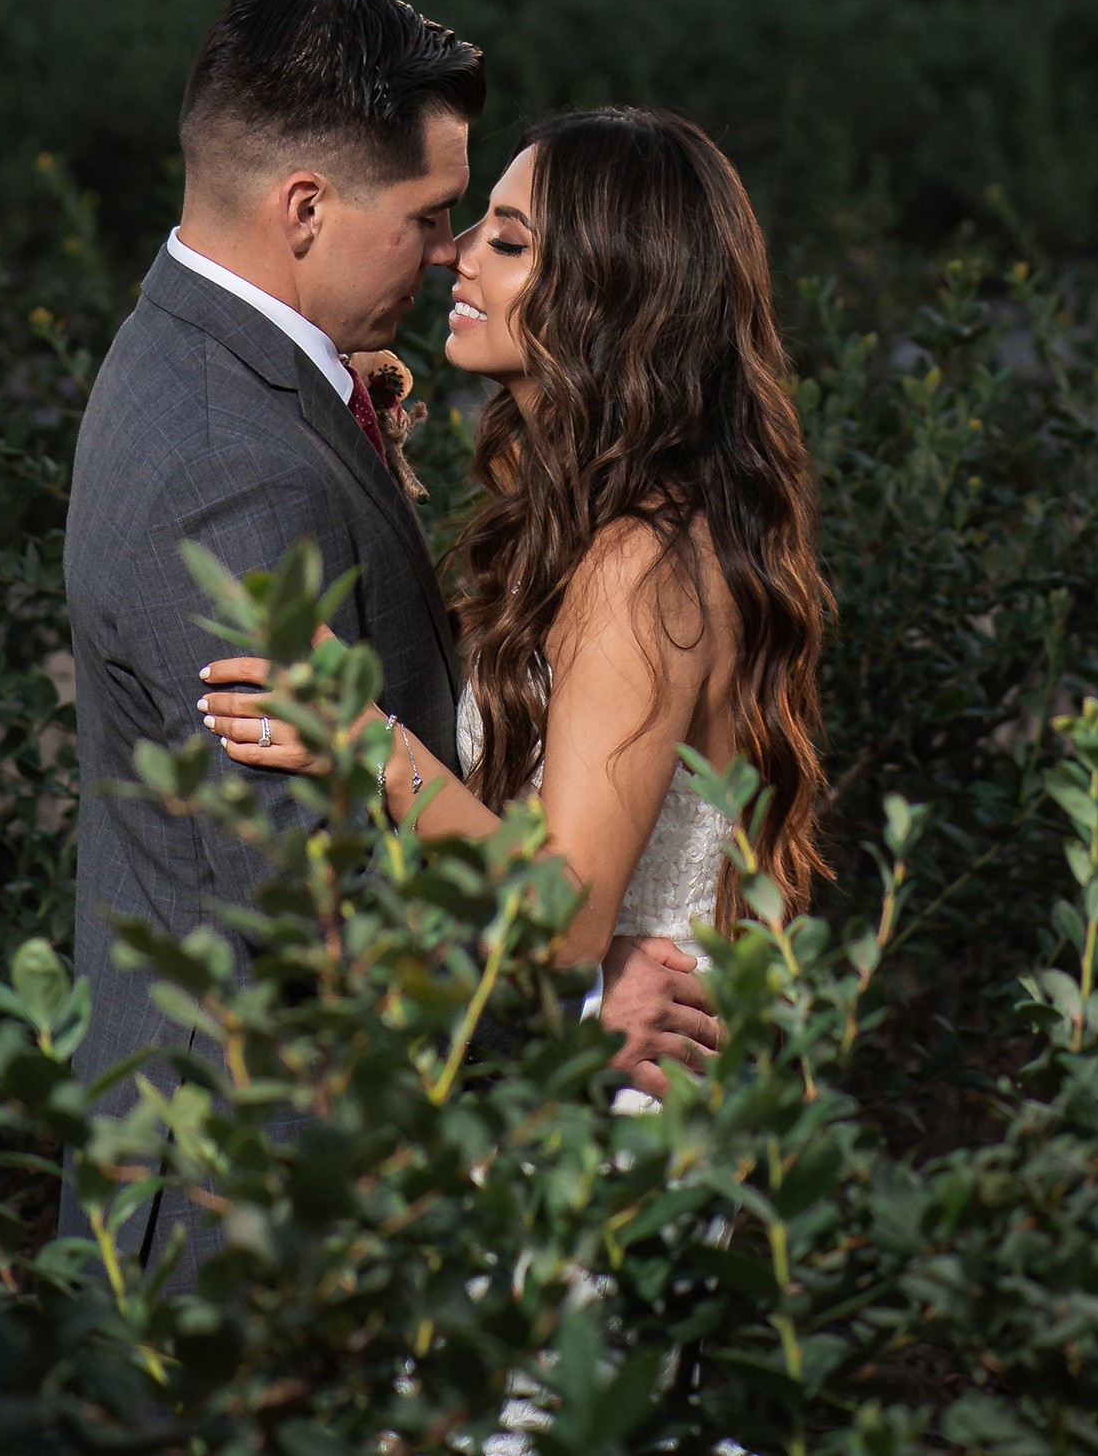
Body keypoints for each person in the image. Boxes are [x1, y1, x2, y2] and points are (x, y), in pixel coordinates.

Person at [61, 0, 717, 1276]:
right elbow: (296, 903)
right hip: (258, 1188)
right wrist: (580, 1018)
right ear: (303, 206)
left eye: (494, 234)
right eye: (431, 217)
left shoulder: (215, 377)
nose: (447, 253)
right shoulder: (234, 463)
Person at [201, 107, 829, 1015]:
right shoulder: (588, 521)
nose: (454, 254)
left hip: (629, 1106)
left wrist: (365, 745)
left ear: (608, 292)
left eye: (506, 241)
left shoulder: (640, 564)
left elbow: (568, 919)